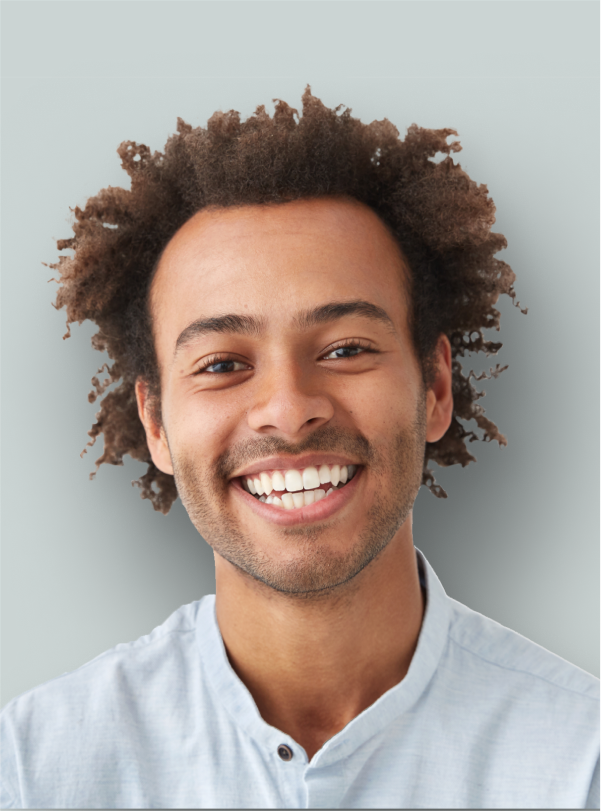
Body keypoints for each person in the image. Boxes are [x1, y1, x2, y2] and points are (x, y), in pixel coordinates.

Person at [1, 87, 599, 809]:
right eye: (222, 363)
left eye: (346, 348)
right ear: (155, 422)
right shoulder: (33, 768)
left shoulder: (581, 758)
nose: (287, 411)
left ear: (435, 386)